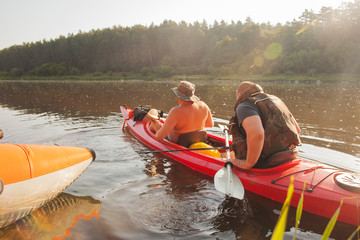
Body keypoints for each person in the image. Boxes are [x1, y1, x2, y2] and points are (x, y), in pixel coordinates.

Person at [228, 81, 301, 169]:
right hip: (290, 155)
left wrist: (248, 163)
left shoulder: (244, 105)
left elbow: (257, 134)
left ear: (239, 94)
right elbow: (297, 130)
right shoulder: (276, 100)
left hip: (267, 162)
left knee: (227, 156)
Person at [148, 81, 214, 147]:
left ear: (178, 96)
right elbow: (210, 124)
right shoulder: (203, 105)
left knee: (155, 124)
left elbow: (159, 138)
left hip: (180, 143)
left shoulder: (175, 111)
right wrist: (192, 126)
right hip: (199, 140)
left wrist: (159, 125)